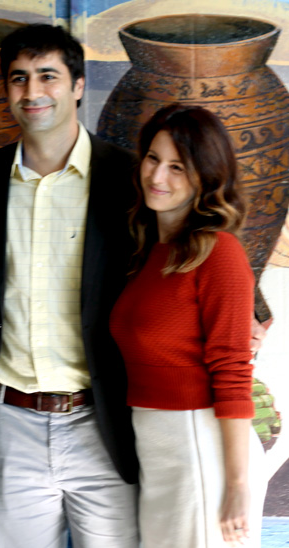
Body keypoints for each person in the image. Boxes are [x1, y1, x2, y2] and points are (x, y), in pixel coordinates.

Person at [0, 23, 139, 548]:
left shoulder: (126, 177)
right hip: (8, 423)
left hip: (102, 424)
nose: (32, 91)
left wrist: (243, 307)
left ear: (78, 85)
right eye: (18, 78)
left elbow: (177, 252)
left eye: (47, 76)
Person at [109, 103, 267, 548]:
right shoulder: (151, 253)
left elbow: (232, 372)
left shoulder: (220, 253)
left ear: (205, 177)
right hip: (158, 450)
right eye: (153, 158)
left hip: (200, 449)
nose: (157, 176)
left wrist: (237, 485)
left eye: (177, 166)